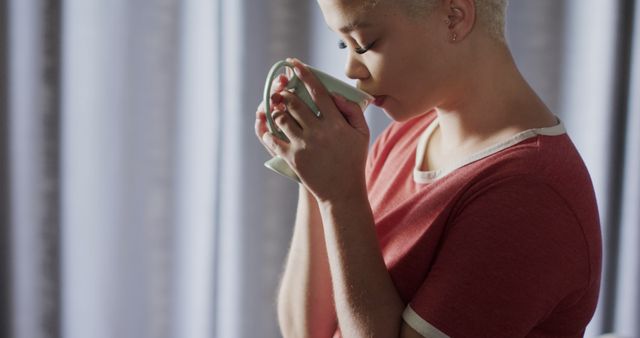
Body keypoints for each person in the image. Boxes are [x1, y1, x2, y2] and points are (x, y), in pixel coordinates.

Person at [254, 0, 602, 337]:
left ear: (454, 17)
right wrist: (314, 175)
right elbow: (306, 331)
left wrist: (340, 196)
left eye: (364, 43)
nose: (350, 69)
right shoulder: (405, 137)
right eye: (341, 42)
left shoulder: (529, 195)